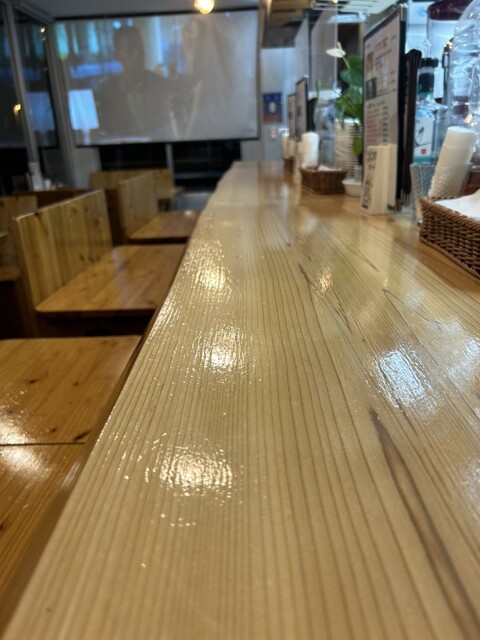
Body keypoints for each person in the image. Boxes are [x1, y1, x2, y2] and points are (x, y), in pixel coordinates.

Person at [96, 25, 172, 140]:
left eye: (140, 48)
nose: (137, 54)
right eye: (129, 50)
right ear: (117, 55)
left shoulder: (162, 85)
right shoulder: (108, 90)